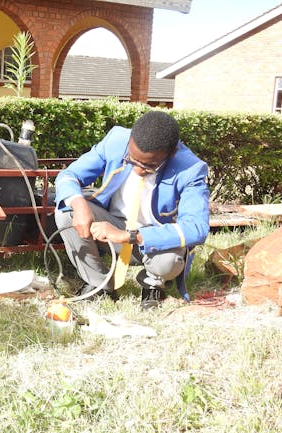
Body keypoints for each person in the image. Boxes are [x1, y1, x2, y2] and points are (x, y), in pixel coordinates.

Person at [54, 111, 210, 309]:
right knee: (67, 212)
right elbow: (69, 175)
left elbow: (197, 229)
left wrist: (129, 235)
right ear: (130, 141)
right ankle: (99, 284)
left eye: (148, 166)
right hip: (112, 226)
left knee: (168, 261)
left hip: (152, 240)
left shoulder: (190, 169)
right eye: (131, 160)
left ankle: (153, 284)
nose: (137, 170)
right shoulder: (116, 140)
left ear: (171, 154)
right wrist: (78, 203)